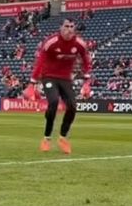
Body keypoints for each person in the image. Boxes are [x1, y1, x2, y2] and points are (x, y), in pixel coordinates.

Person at [31, 18, 91, 153]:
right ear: (61, 28)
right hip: (49, 76)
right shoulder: (51, 42)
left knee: (72, 106)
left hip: (65, 79)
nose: (69, 29)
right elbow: (40, 61)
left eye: (72, 26)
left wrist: (87, 81)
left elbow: (86, 60)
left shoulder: (79, 43)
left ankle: (63, 138)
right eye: (66, 26)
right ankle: (47, 138)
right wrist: (32, 82)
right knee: (53, 102)